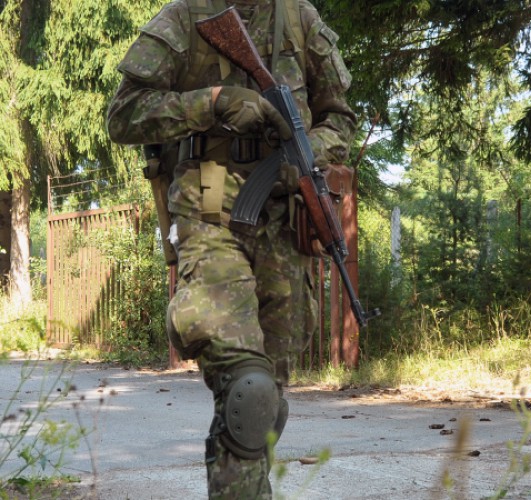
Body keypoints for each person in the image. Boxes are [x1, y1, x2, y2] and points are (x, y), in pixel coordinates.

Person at [106, 0, 356, 497]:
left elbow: (341, 122)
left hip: (286, 220)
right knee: (250, 390)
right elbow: (123, 116)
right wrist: (212, 101)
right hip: (210, 205)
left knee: (265, 406)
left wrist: (304, 154)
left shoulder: (301, 20)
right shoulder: (186, 18)